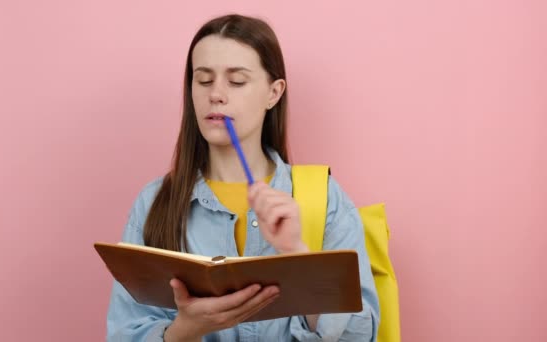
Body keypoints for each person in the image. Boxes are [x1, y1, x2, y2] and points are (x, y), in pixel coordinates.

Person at [107, 13, 379, 341]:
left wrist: (297, 254)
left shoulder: (325, 198)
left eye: (237, 81)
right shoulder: (153, 204)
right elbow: (124, 332)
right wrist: (186, 329)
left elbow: (360, 334)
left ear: (273, 93)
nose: (217, 94)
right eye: (204, 80)